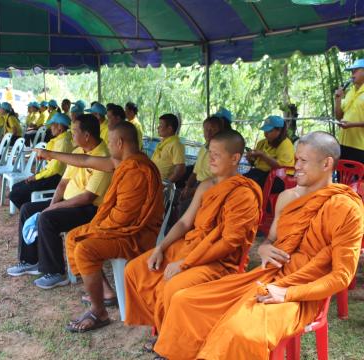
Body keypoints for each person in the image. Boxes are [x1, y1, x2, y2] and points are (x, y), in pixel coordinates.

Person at [152, 131, 364, 360]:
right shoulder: (287, 197)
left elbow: (342, 276)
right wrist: (264, 248)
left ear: (327, 163)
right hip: (265, 278)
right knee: (187, 301)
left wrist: (287, 293)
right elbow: (271, 239)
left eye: (303, 160)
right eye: (295, 160)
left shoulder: (346, 208)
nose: (296, 166)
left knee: (240, 330)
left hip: (302, 292)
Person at [124, 130, 262, 343]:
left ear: (235, 158)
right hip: (188, 247)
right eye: (209, 153)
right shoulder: (207, 185)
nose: (210, 159)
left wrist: (185, 264)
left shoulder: (243, 193)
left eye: (217, 154)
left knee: (174, 286)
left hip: (217, 261)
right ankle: (163, 325)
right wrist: (161, 248)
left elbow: (228, 243)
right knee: (135, 268)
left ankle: (172, 342)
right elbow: (184, 222)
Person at [37, 121, 164, 333]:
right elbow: (85, 159)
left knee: (85, 246)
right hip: (122, 228)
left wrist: (95, 227)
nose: (108, 146)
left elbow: (122, 219)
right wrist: (51, 154)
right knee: (76, 237)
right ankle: (105, 292)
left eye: (110, 142)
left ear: (120, 143)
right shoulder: (123, 162)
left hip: (136, 235)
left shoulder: (136, 170)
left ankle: (99, 312)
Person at [6, 114, 111, 291]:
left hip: (89, 209)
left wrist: (53, 208)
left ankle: (56, 272)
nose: (72, 135)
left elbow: (88, 197)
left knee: (48, 218)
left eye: (75, 131)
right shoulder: (78, 153)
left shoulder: (103, 157)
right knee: (27, 209)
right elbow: (63, 183)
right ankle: (30, 260)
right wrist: (52, 204)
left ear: (87, 135)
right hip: (69, 202)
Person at [9, 113, 73, 209]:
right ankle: (29, 210)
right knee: (16, 187)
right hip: (50, 175)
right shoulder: (60, 139)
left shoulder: (63, 143)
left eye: (52, 125)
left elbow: (54, 170)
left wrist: (36, 177)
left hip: (55, 179)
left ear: (60, 127)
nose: (51, 128)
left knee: (14, 194)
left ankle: (30, 211)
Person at [179, 115, 232, 212]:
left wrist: (194, 191)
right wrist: (187, 187)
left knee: (185, 207)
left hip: (210, 190)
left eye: (213, 129)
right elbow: (195, 172)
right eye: (206, 129)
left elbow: (218, 182)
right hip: (197, 185)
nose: (208, 132)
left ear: (221, 131)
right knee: (176, 197)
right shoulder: (204, 147)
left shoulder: (222, 152)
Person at [244, 115, 295, 188]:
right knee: (240, 180)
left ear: (279, 130)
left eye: (269, 131)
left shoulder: (286, 144)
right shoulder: (262, 143)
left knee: (249, 184)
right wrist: (250, 159)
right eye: (265, 130)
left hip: (280, 177)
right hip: (260, 173)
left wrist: (263, 155)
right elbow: (255, 164)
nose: (266, 133)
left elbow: (281, 167)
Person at [335, 58, 364, 163]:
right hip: (343, 144)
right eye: (351, 71)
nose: (352, 74)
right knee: (342, 177)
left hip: (360, 147)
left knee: (359, 178)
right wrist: (337, 100)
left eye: (355, 71)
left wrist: (352, 124)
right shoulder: (350, 92)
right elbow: (339, 117)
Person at [151, 113, 186, 183]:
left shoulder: (176, 144)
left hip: (163, 185)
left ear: (169, 129)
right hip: (154, 181)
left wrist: (166, 184)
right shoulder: (163, 143)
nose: (158, 128)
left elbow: (180, 169)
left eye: (161, 125)